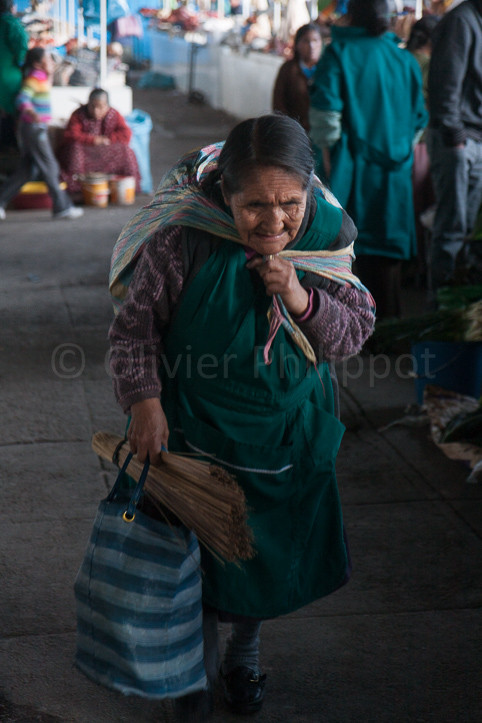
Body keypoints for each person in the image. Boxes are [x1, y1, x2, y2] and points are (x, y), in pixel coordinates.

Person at [108, 114, 375, 717]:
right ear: (224, 195)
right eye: (255, 205)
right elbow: (133, 333)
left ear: (311, 191)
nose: (275, 222)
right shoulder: (182, 240)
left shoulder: (326, 239)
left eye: (290, 203)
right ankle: (192, 689)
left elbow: (353, 334)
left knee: (260, 557)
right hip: (192, 433)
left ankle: (244, 656)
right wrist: (144, 405)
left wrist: (298, 294)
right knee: (190, 571)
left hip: (283, 437)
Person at [309, 0, 427, 319]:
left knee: (346, 248)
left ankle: (352, 325)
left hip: (352, 167)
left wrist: (328, 157)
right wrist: (397, 147)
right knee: (386, 245)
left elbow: (326, 117)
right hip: (396, 170)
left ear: (351, 16)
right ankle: (387, 325)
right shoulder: (404, 60)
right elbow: (419, 119)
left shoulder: (339, 54)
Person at [427, 0, 482, 290]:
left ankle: (451, 302)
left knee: (465, 230)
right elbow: (445, 83)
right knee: (452, 229)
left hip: (471, 140)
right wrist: (454, 137)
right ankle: (438, 305)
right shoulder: (462, 21)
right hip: (457, 142)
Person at [0, 47, 83, 221]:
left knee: (27, 171)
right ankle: (62, 207)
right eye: (48, 60)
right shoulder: (34, 78)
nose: (52, 63)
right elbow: (22, 99)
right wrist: (33, 114)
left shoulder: (41, 76)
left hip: (32, 129)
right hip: (34, 128)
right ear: (38, 63)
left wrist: (51, 70)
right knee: (50, 166)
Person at [406, 15, 440, 287]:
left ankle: (408, 263)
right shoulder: (430, 65)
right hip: (422, 144)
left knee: (407, 205)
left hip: (397, 145)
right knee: (422, 205)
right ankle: (419, 267)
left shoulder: (401, 60)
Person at [57, 88, 140, 194]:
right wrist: (93, 140)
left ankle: (126, 187)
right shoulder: (78, 115)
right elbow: (71, 135)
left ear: (107, 106)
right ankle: (77, 189)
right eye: (92, 106)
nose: (96, 111)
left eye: (100, 107)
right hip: (84, 152)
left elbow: (126, 134)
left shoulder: (114, 115)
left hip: (106, 153)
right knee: (75, 149)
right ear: (88, 104)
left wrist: (108, 140)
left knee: (125, 150)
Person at [272, 22, 323, 133]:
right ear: (297, 44)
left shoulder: (327, 69)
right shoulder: (288, 69)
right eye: (306, 41)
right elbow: (278, 104)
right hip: (295, 134)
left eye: (315, 41)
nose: (311, 46)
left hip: (322, 133)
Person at [0, 0, 29, 150]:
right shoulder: (11, 23)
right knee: (9, 112)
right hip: (8, 75)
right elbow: (22, 48)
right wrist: (21, 63)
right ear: (12, 7)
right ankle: (9, 147)